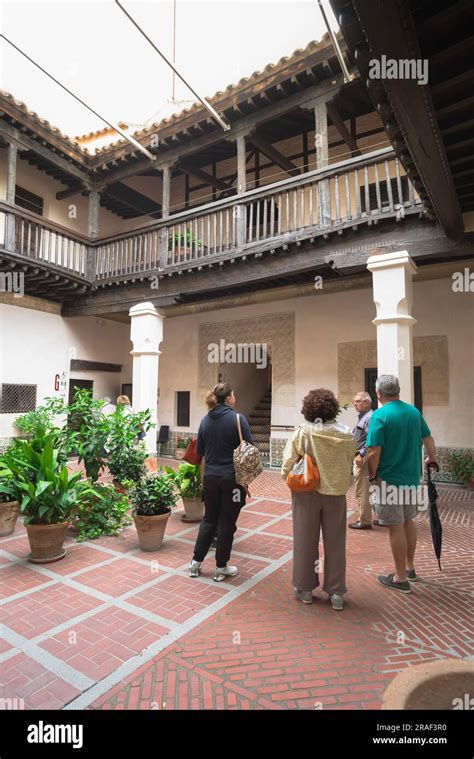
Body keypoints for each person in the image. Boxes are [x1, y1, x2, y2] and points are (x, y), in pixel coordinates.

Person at [281, 388, 356, 610]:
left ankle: (305, 589)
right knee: (335, 543)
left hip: (306, 492)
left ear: (308, 409)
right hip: (335, 494)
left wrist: (288, 478)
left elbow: (288, 460)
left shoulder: (304, 432)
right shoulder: (346, 433)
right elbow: (350, 461)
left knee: (305, 541)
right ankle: (336, 593)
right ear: (332, 409)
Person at [366, 375, 438, 593]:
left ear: (378, 394)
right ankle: (410, 568)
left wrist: (372, 477)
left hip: (388, 482)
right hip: (411, 479)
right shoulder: (414, 412)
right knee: (408, 521)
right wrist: (432, 457)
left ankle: (399, 578)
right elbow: (428, 439)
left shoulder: (379, 416)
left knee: (395, 527)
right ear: (398, 390)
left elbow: (373, 452)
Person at [189, 382, 253, 582]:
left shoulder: (205, 421)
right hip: (231, 480)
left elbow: (199, 453)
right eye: (233, 395)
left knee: (209, 519)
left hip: (210, 478)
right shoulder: (237, 419)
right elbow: (250, 447)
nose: (235, 398)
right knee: (226, 522)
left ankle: (195, 564)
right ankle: (221, 567)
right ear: (228, 398)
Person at [349, 391, 374, 530]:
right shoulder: (364, 417)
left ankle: (364, 520)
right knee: (365, 489)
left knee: (362, 490)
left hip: (362, 459)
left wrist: (361, 454)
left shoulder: (369, 417)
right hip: (360, 457)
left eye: (358, 401)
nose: (355, 404)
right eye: (354, 401)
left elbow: (372, 438)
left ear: (367, 402)